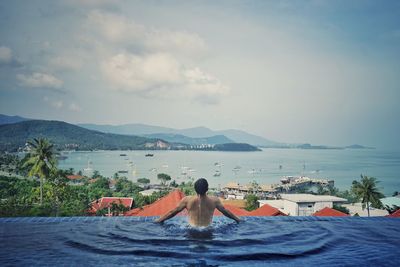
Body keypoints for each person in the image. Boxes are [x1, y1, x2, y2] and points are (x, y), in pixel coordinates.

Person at [155, 178, 241, 226]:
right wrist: (238, 219)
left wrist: (160, 220)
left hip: (191, 231)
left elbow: (173, 212)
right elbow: (226, 212)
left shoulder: (187, 200)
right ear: (207, 189)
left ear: (195, 189)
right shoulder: (214, 200)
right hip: (208, 231)